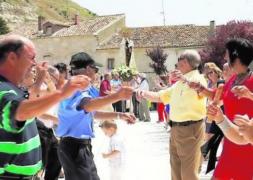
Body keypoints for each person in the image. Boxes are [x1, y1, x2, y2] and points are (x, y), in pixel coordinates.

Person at [0, 35, 90, 179]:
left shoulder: (15, 89)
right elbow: (18, 111)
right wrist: (61, 93)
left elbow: (30, 98)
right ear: (12, 58)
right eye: (31, 58)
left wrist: (44, 79)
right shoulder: (3, 89)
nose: (34, 64)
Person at [56, 52, 136, 180]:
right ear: (88, 69)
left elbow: (92, 112)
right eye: (95, 69)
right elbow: (87, 106)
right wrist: (117, 96)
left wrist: (120, 115)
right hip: (74, 146)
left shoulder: (78, 87)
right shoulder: (76, 87)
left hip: (78, 146)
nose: (96, 73)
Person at [137, 50, 207, 180]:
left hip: (191, 129)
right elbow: (161, 96)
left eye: (178, 63)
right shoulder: (179, 83)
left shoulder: (198, 78)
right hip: (176, 129)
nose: (176, 66)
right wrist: (143, 93)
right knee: (176, 173)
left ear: (185, 62)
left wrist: (184, 79)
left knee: (189, 174)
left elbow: (200, 88)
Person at [190, 38, 253, 179]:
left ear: (235, 56)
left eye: (227, 54)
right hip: (230, 143)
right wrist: (200, 88)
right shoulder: (232, 80)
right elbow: (218, 97)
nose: (225, 57)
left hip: (248, 145)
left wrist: (249, 95)